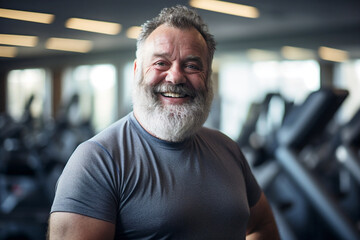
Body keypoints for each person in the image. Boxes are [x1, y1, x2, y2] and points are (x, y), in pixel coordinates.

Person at [48, 5, 280, 240]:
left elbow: (262, 226)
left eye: (191, 66)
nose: (176, 76)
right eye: (161, 63)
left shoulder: (228, 149)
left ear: (207, 78)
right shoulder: (96, 160)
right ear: (137, 71)